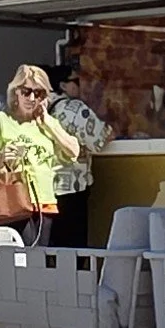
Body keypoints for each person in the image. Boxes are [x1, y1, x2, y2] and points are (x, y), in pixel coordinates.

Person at [0, 64, 80, 244]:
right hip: (13, 200)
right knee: (19, 259)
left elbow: (73, 152)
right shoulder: (1, 120)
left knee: (39, 260)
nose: (32, 98)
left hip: (44, 202)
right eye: (26, 92)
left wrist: (48, 123)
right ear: (15, 92)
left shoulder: (48, 123)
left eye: (38, 93)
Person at [46, 61, 115, 245]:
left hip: (45, 186)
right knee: (73, 242)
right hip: (72, 187)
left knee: (52, 243)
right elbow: (100, 140)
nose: (80, 84)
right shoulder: (74, 109)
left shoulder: (40, 110)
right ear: (62, 85)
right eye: (75, 80)